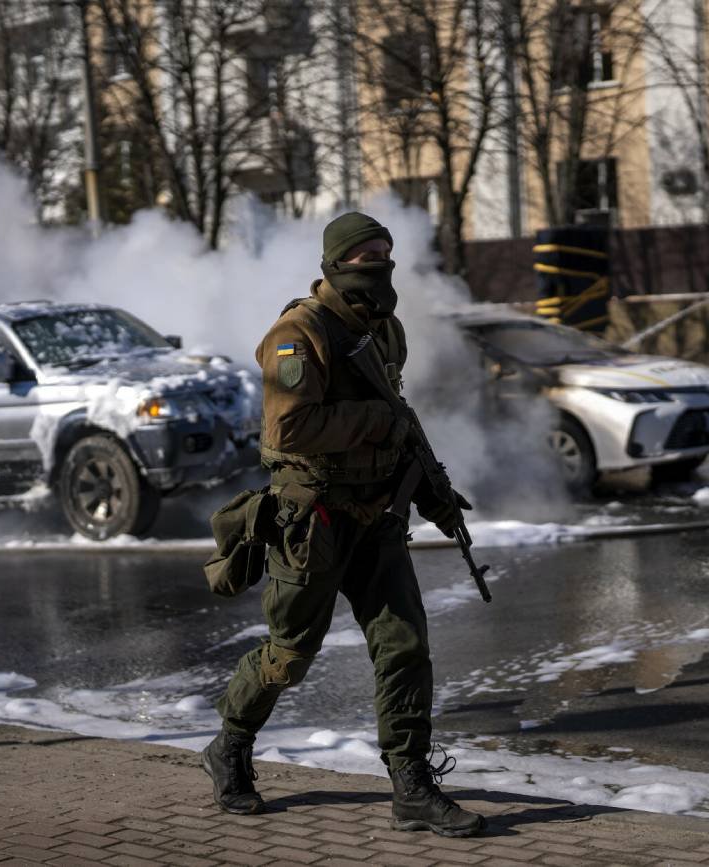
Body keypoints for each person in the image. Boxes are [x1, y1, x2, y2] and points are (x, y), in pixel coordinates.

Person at [203, 212, 486, 837]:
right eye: (366, 255)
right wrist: (376, 424)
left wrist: (430, 492)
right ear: (335, 263)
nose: (379, 263)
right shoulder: (298, 333)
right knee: (290, 654)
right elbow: (287, 430)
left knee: (405, 646)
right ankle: (230, 744)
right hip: (314, 519)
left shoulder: (386, 331)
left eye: (386, 251)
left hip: (377, 515)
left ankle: (411, 783)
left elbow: (399, 421)